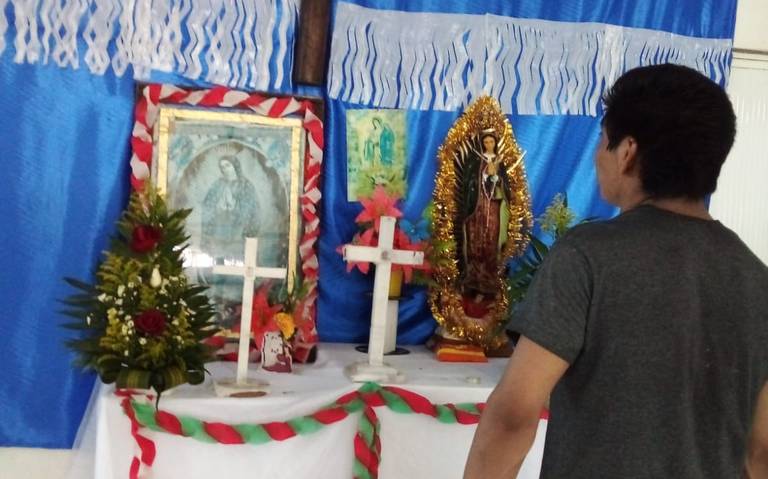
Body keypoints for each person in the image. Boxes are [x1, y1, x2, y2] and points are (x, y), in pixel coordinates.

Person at [464, 64, 768, 478]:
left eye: (603, 141)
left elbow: (514, 414)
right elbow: (761, 449)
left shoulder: (587, 256)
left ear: (627, 152)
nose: (596, 156)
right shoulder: (757, 279)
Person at [460, 130, 510, 304]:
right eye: (486, 142)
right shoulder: (476, 160)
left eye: (491, 142)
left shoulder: (499, 161)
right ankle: (473, 281)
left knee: (491, 241)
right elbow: (469, 182)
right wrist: (483, 177)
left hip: (493, 206)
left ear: (495, 143)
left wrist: (497, 178)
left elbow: (505, 186)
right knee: (475, 242)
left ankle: (489, 284)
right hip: (477, 207)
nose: (489, 144)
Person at [201, 155, 260, 259]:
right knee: (218, 259)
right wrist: (218, 207)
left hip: (239, 230)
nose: (224, 169)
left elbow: (252, 209)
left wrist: (234, 206)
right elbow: (207, 205)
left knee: (236, 259)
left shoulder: (246, 185)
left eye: (227, 165)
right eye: (222, 167)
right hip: (219, 228)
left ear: (235, 166)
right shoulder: (218, 184)